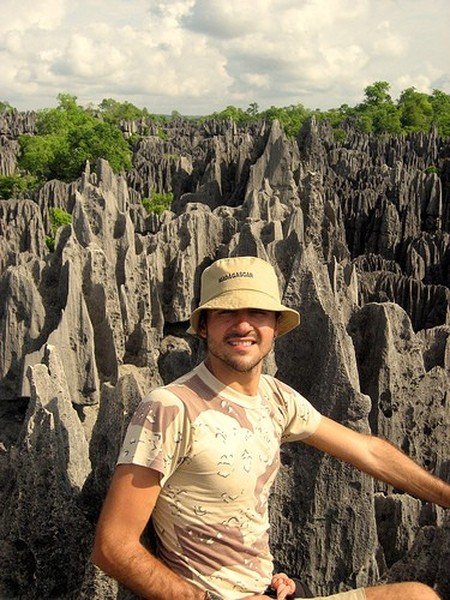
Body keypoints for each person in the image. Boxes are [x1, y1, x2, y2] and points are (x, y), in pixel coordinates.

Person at [92, 256, 449, 600]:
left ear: (276, 326)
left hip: (270, 590)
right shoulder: (170, 408)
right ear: (203, 326)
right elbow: (113, 546)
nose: (243, 325)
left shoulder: (277, 398)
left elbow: (369, 452)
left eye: (257, 312)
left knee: (418, 595)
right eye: (227, 312)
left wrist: (445, 497)